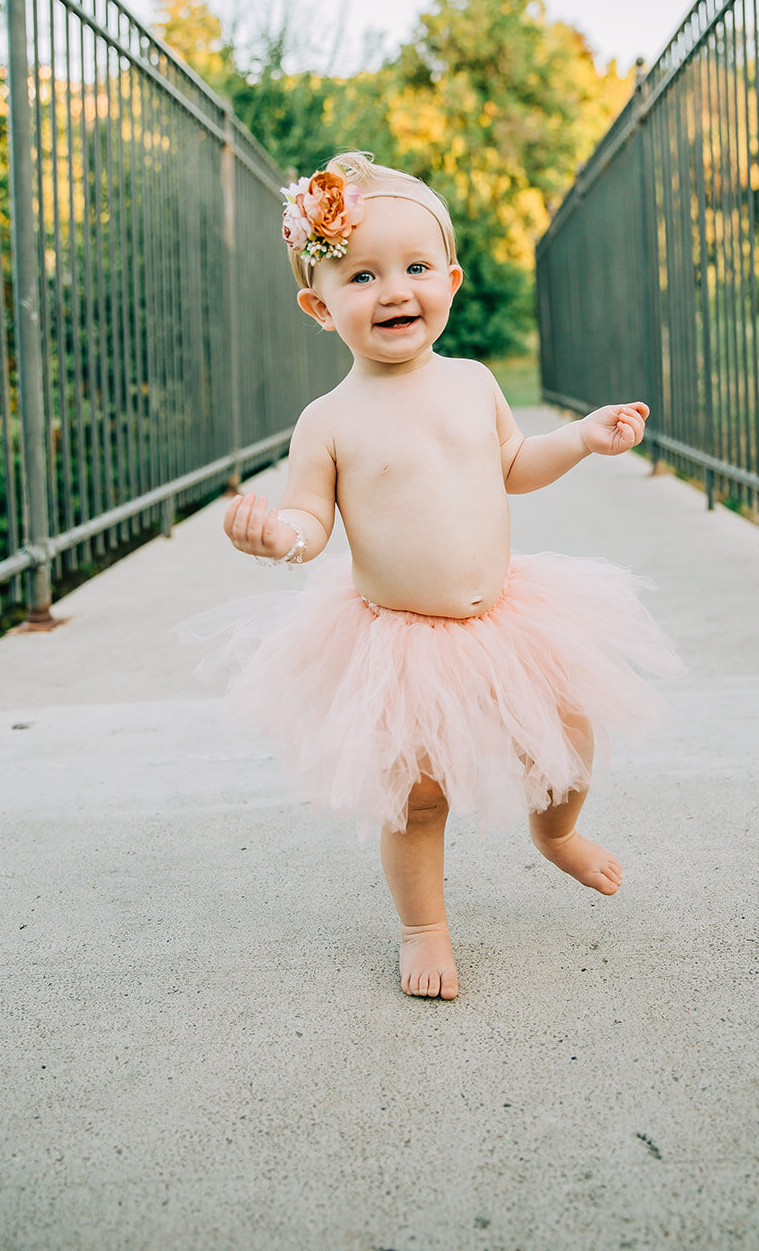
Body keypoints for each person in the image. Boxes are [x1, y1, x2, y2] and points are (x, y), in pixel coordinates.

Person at [176, 152, 682, 1001]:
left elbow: (514, 464)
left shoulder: (473, 383)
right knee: (415, 797)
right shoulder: (328, 420)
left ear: (449, 278)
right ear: (319, 306)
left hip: (511, 618)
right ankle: (423, 925)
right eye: (361, 275)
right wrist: (280, 539)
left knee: (568, 746)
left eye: (415, 268)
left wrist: (582, 439)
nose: (393, 290)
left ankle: (556, 835)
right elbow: (310, 518)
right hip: (401, 638)